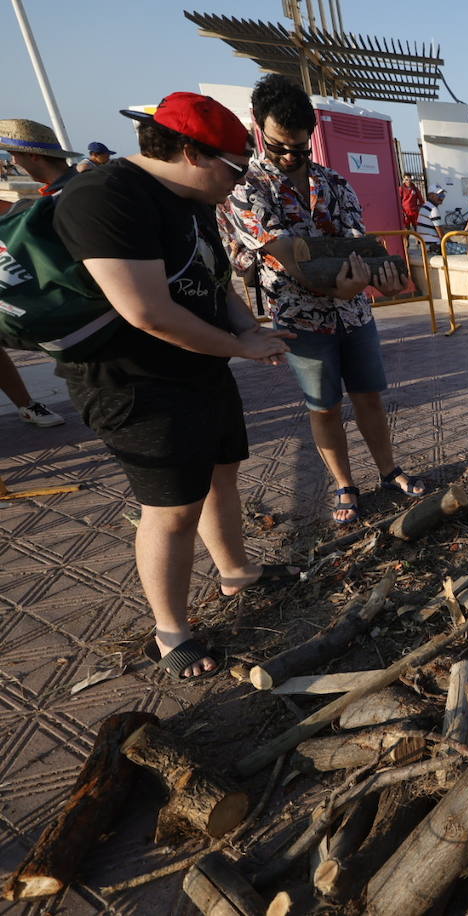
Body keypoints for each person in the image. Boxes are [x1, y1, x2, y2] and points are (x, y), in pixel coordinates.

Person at [53, 92, 299, 679]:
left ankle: (236, 571)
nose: (239, 184)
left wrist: (248, 329)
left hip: (200, 368)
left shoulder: (189, 199)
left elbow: (212, 283)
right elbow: (147, 312)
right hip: (136, 382)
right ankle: (172, 630)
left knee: (220, 476)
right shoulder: (105, 197)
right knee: (171, 510)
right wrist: (240, 347)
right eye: (235, 169)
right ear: (191, 151)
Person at [218, 74, 421, 527]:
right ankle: (345, 484)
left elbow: (357, 243)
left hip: (354, 314)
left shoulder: (334, 182)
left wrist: (382, 281)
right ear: (258, 129)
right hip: (301, 321)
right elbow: (289, 258)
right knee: (324, 406)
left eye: (301, 148)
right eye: (279, 147)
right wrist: (343, 283)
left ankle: (389, 471)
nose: (291, 157)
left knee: (370, 396)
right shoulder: (245, 189)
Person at [0, 118, 81, 428]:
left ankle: (26, 404)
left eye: (14, 156)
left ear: (33, 156)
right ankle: (27, 405)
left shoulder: (70, 196)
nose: (13, 163)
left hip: (83, 331)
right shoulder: (62, 191)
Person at [416, 184, 445, 253]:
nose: (442, 198)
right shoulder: (433, 209)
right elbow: (440, 232)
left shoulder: (425, 206)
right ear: (430, 196)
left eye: (443, 195)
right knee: (464, 251)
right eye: (439, 195)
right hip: (434, 245)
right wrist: (449, 241)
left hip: (425, 244)